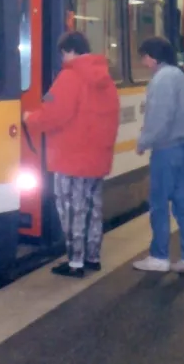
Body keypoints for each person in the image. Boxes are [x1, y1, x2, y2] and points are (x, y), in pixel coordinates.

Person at [23, 31, 119, 278]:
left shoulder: (69, 76)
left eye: (63, 53)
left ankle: (75, 263)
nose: (63, 58)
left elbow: (53, 113)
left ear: (69, 51)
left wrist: (29, 119)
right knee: (92, 209)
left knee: (71, 209)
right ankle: (92, 257)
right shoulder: (106, 79)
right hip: (97, 157)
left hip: (71, 157)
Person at [132, 36, 184, 277]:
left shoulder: (162, 79)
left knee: (159, 203)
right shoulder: (180, 76)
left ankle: (159, 256)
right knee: (182, 203)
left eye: (143, 57)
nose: (143, 62)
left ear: (152, 56)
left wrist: (144, 141)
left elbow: (160, 117)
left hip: (167, 149)